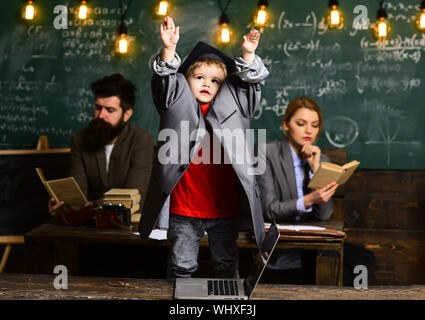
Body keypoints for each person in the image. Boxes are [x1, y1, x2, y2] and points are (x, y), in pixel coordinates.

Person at [139, 16, 269, 279]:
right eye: (199, 77)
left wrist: (248, 54)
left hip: (224, 208)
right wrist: (169, 49)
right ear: (185, 81)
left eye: (215, 80)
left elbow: (251, 85)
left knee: (225, 266)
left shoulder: (237, 107)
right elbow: (164, 77)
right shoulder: (174, 102)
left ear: (225, 86)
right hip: (184, 210)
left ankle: (228, 304)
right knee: (181, 266)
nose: (207, 83)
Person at [256, 96, 338, 280]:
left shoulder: (322, 160)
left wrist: (316, 170)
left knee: (360, 260)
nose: (309, 130)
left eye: (315, 125)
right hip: (276, 248)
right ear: (286, 124)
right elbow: (269, 209)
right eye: (301, 123)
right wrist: (309, 200)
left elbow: (324, 215)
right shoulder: (265, 152)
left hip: (310, 247)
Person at [49, 73, 154, 216]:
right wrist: (64, 206)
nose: (101, 115)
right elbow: (78, 195)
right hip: (89, 223)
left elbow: (132, 196)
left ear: (127, 114)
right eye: (98, 108)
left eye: (110, 110)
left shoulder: (141, 140)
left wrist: (91, 206)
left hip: (129, 223)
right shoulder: (79, 139)